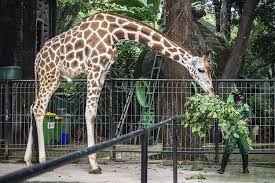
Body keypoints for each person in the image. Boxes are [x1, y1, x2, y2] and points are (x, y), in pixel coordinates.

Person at [217, 90, 252, 174]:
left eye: (238, 95)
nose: (236, 97)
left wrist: (241, 122)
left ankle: (245, 169)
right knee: (228, 149)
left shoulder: (245, 106)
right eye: (235, 95)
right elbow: (225, 117)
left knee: (244, 149)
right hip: (232, 131)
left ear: (242, 97)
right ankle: (222, 169)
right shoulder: (230, 107)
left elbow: (249, 118)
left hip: (242, 132)